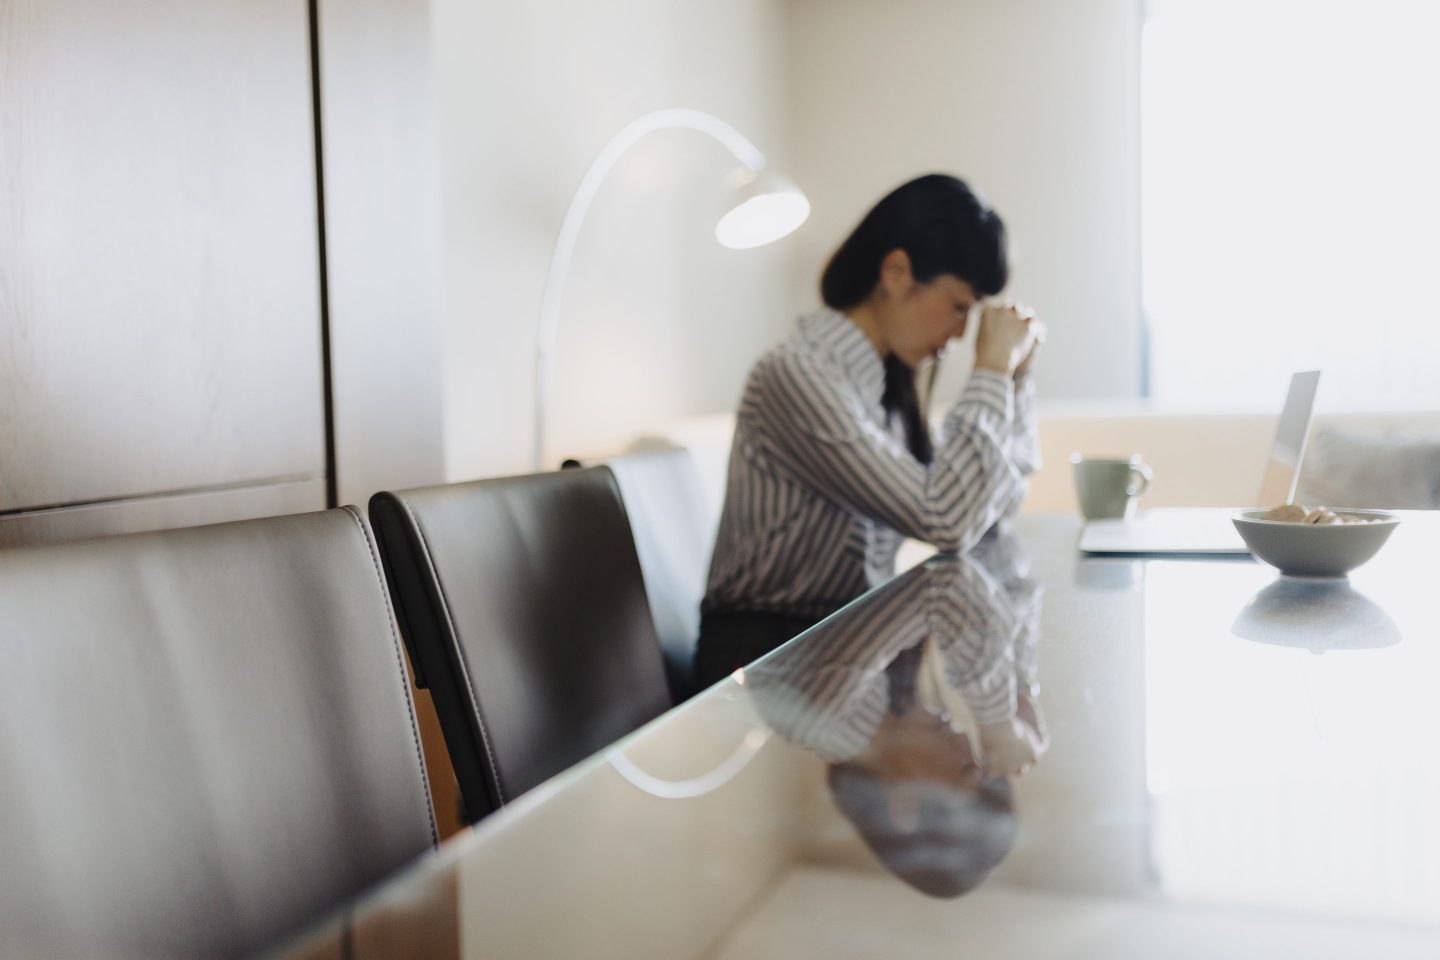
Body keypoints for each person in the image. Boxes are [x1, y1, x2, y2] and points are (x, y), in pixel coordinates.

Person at [695, 174, 1043, 688]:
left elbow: (986, 513)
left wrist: (1016, 379)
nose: (961, 335)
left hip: (847, 644)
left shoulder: (889, 383)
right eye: (959, 306)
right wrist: (990, 369)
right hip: (762, 661)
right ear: (897, 271)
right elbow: (944, 517)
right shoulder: (795, 374)